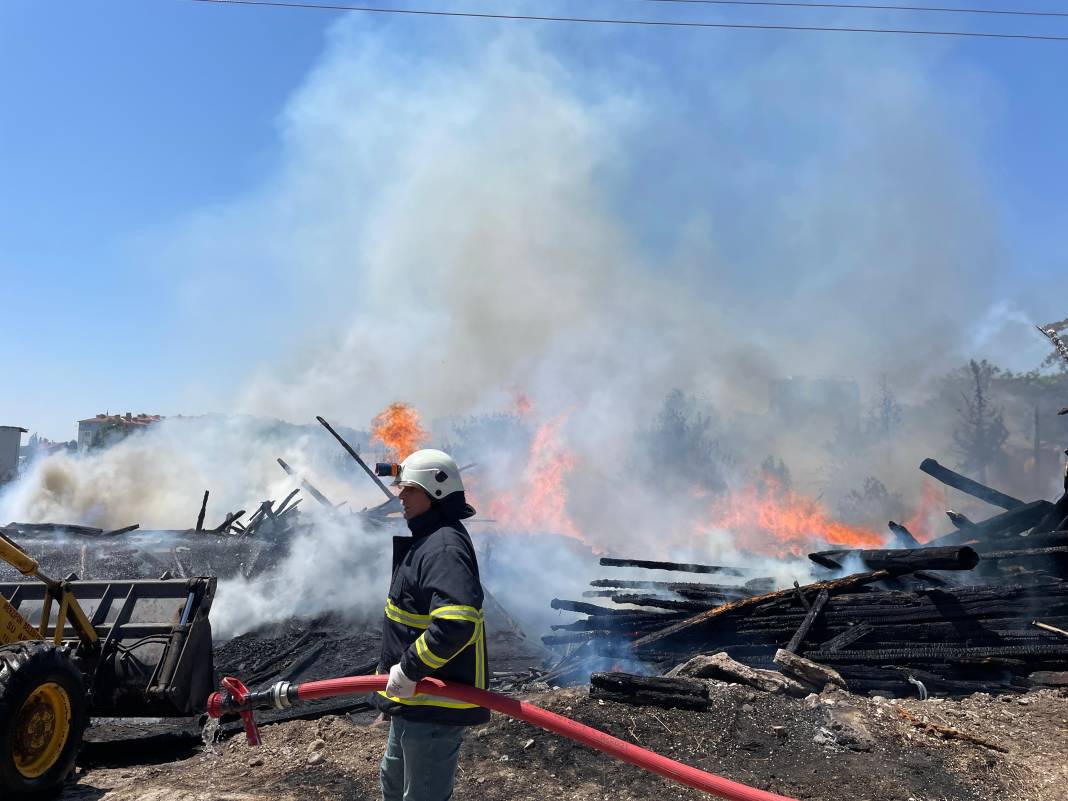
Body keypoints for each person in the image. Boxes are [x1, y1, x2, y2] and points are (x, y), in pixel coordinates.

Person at [375, 448, 490, 801]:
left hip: (434, 702)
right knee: (393, 786)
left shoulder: (442, 547)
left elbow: (456, 624)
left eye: (409, 488)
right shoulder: (429, 539)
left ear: (434, 491)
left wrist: (408, 669)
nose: (401, 496)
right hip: (413, 700)